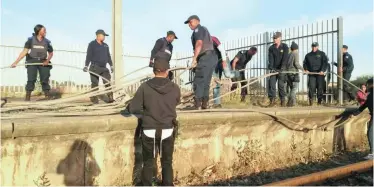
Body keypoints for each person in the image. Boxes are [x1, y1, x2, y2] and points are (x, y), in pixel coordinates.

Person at [128, 59, 181, 186]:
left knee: (148, 162)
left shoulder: (145, 87)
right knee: (167, 162)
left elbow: (133, 108)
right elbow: (177, 102)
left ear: (153, 71)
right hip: (168, 129)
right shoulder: (175, 88)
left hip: (149, 128)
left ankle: (146, 184)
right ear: (167, 71)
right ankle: (167, 184)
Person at [11, 24, 54, 101]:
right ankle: (27, 97)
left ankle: (47, 96)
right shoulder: (30, 40)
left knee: (45, 78)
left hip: (43, 62)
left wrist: (47, 61)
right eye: (44, 30)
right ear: (39, 31)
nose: (45, 32)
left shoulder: (47, 42)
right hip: (32, 61)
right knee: (31, 79)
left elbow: (51, 53)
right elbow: (24, 52)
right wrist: (16, 62)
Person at [184, 15, 218, 110]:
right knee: (206, 82)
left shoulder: (198, 30)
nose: (189, 25)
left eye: (190, 22)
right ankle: (204, 104)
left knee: (199, 80)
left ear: (197, 21)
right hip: (211, 57)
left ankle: (198, 105)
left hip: (205, 57)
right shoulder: (205, 30)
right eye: (188, 23)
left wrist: (194, 59)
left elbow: (199, 43)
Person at [84, 29, 114, 104]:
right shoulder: (92, 44)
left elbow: (108, 57)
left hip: (104, 68)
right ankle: (94, 99)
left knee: (107, 82)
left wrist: (111, 65)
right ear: (98, 36)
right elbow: (89, 56)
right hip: (95, 67)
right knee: (94, 84)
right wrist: (86, 65)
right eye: (104, 36)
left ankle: (110, 97)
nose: (104, 37)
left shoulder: (106, 46)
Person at [352, 78, 373, 160]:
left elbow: (365, 105)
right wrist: (354, 114)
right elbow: (365, 106)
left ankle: (372, 153)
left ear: (371, 84)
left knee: (370, 133)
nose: (366, 87)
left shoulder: (371, 94)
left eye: (367, 85)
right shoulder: (370, 94)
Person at [268, 32, 289, 107]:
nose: (274, 39)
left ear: (280, 38)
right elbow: (271, 59)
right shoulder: (271, 48)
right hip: (274, 69)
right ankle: (272, 101)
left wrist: (282, 67)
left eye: (276, 38)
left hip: (282, 69)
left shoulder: (285, 47)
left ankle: (282, 101)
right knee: (272, 84)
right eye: (273, 38)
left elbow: (285, 58)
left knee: (280, 85)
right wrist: (272, 68)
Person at [211, 36, 228, 108]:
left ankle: (217, 103)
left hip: (219, 61)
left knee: (217, 82)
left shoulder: (213, 39)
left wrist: (224, 61)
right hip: (210, 62)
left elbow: (222, 50)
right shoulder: (200, 41)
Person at [285, 42, 303, 107]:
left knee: (291, 88)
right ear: (296, 48)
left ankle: (294, 103)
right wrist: (303, 69)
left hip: (288, 73)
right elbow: (296, 64)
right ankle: (290, 101)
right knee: (294, 88)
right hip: (294, 73)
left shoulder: (289, 54)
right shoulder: (296, 53)